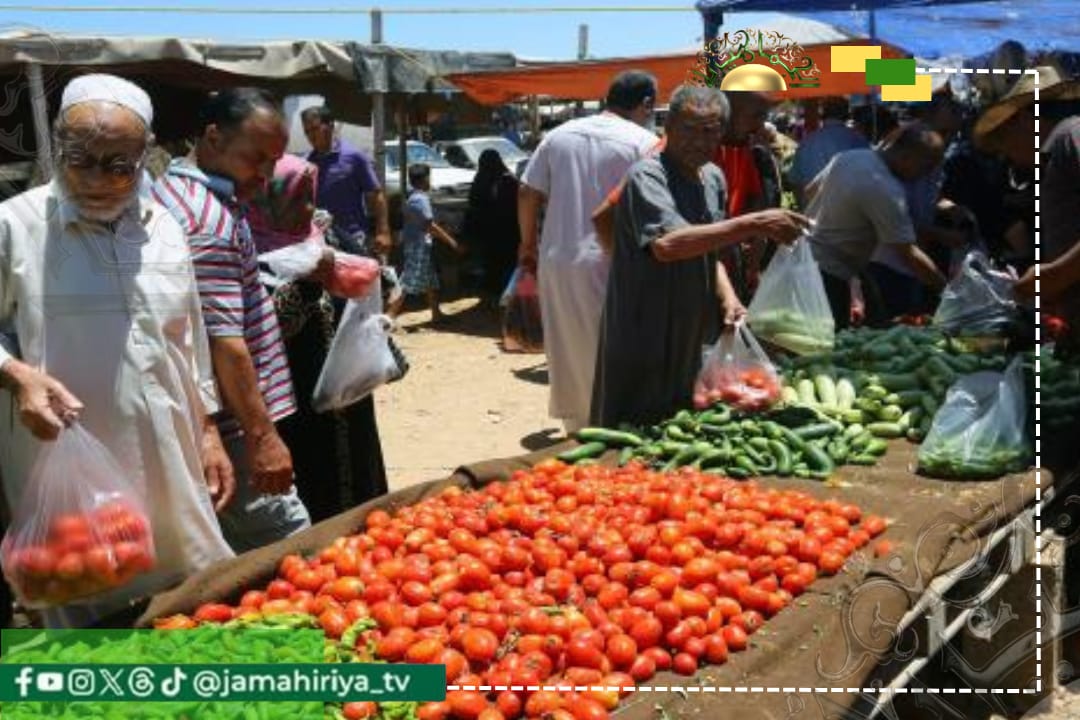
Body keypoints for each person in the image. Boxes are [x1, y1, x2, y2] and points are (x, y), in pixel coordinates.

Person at [0, 74, 235, 627]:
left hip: (171, 455)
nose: (97, 180)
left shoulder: (165, 228)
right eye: (80, 161)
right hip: (64, 463)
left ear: (145, 155)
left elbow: (187, 335)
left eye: (118, 166)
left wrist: (207, 429)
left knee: (188, 599)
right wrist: (16, 375)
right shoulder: (15, 226)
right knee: (87, 608)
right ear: (58, 149)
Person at [590, 85, 810, 429]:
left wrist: (728, 297)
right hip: (645, 323)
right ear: (668, 127)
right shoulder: (648, 176)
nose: (698, 141)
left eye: (709, 131)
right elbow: (667, 245)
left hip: (693, 324)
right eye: (688, 129)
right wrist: (754, 223)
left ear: (722, 133)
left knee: (682, 418)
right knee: (631, 425)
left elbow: (709, 247)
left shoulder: (713, 177)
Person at [152, 87, 311, 554]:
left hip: (214, 422)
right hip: (231, 428)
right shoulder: (207, 221)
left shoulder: (176, 193)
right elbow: (224, 340)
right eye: (255, 159)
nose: (265, 175)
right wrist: (262, 437)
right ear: (214, 137)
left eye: (273, 162)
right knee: (292, 550)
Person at [246, 155, 389, 523]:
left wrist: (375, 285)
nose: (308, 208)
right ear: (266, 203)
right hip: (297, 404)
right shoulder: (252, 256)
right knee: (315, 488)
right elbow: (261, 329)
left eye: (310, 197)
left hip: (349, 395)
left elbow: (366, 283)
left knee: (361, 483)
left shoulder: (327, 237)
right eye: (296, 199)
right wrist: (307, 287)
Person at [518, 70, 660, 433]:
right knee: (616, 346)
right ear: (646, 104)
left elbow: (527, 192)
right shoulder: (645, 142)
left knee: (568, 346)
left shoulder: (559, 136)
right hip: (614, 260)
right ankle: (612, 428)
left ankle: (578, 428)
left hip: (558, 259)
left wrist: (527, 244)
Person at [804, 122, 948, 330]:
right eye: (926, 167)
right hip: (829, 275)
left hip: (806, 260)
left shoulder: (850, 157)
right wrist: (946, 287)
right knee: (825, 340)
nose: (925, 174)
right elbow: (907, 253)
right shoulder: (885, 188)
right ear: (907, 156)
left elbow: (810, 191)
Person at [987, 68, 1080, 349]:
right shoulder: (1057, 152)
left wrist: (1053, 276)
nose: (1007, 155)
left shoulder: (1071, 135)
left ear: (1026, 120)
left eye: (1004, 140)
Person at [866, 93, 974, 322]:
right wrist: (940, 235)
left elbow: (930, 197)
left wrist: (949, 208)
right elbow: (897, 220)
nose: (948, 139)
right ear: (924, 120)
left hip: (915, 263)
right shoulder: (900, 161)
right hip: (889, 263)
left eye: (954, 133)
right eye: (943, 131)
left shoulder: (933, 155)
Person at [302, 105, 392, 261]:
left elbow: (377, 194)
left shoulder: (353, 157)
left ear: (330, 126)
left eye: (315, 129)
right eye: (307, 131)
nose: (311, 135)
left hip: (354, 239)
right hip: (321, 243)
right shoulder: (306, 163)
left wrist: (383, 231)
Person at [389, 164, 464, 322]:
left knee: (430, 280)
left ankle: (436, 313)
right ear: (425, 179)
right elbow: (430, 225)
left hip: (417, 244)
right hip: (418, 246)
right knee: (406, 281)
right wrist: (452, 242)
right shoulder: (420, 199)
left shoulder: (414, 197)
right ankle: (388, 316)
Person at [464, 149, 520, 307]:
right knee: (508, 264)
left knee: (491, 264)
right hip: (508, 231)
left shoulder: (480, 179)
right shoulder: (509, 180)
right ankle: (506, 297)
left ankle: (492, 297)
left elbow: (473, 204)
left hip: (487, 233)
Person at [787, 97, 868, 207]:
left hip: (813, 210)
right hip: (850, 210)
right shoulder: (858, 140)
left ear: (823, 114)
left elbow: (795, 182)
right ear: (847, 114)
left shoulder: (807, 142)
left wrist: (803, 207)